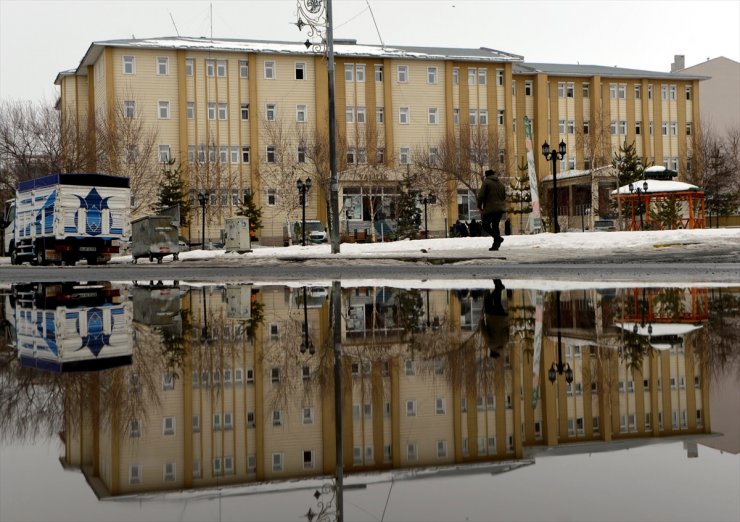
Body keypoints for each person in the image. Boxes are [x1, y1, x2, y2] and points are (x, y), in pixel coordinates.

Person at [476, 169, 507, 251]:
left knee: (485, 225)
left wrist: (479, 206)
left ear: (487, 175)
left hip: (490, 209)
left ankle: (498, 238)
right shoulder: (501, 183)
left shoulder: (486, 182)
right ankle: (496, 245)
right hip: (500, 209)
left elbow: (481, 195)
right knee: (495, 226)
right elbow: (504, 196)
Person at [481, 279, 509, 358]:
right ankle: (497, 287)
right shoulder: (491, 344)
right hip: (492, 317)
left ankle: (497, 283)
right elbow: (485, 332)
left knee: (497, 301)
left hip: (502, 317)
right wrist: (482, 321)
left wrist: (505, 321)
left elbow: (507, 331)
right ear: (491, 352)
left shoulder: (504, 343)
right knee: (488, 301)